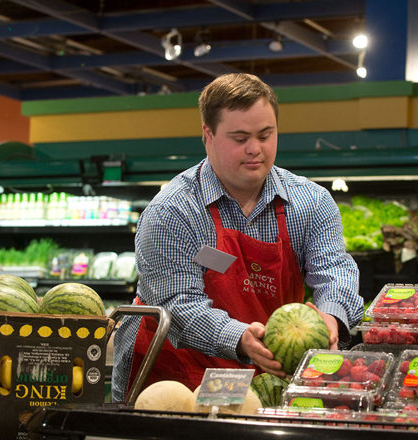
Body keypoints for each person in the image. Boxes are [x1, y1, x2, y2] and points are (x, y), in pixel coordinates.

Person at [112, 73, 363, 402]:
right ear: (208, 135)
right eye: (240, 137)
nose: (255, 149)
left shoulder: (311, 203)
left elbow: (335, 269)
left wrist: (331, 316)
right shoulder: (170, 212)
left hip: (271, 382)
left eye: (265, 134)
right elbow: (176, 304)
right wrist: (240, 337)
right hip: (176, 381)